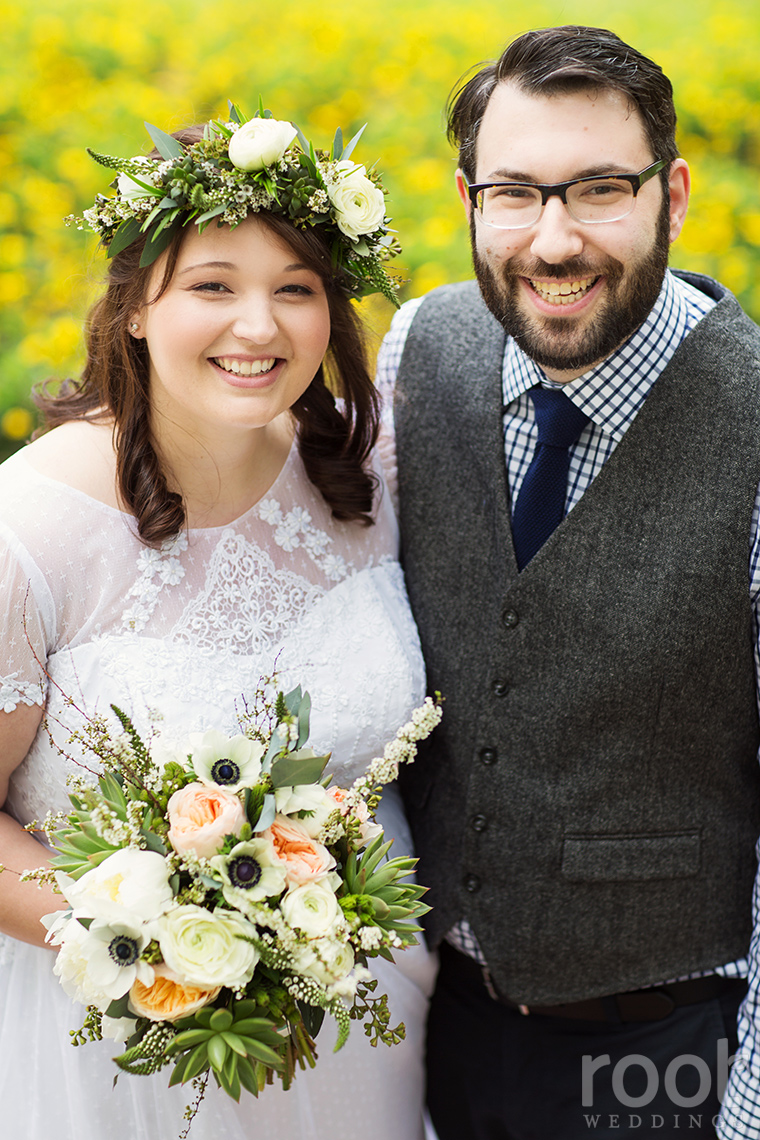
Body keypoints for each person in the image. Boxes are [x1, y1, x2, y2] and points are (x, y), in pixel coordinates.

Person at [0, 106, 435, 1140]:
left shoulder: (369, 475)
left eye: (296, 289)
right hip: (123, 1055)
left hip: (368, 1036)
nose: (259, 327)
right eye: (212, 287)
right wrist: (160, 939)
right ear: (137, 307)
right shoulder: (28, 530)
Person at [376, 24, 760, 1140]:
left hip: (669, 1045)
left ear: (671, 195)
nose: (553, 241)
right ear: (466, 199)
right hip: (436, 1030)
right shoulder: (419, 348)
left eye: (598, 189)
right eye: (514, 193)